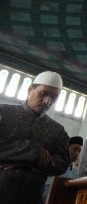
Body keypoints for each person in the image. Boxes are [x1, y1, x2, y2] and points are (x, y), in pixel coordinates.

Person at [0, 71, 70, 204]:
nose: (47, 101)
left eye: (54, 97)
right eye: (43, 94)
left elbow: (63, 163)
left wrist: (27, 162)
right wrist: (33, 150)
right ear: (30, 90)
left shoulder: (58, 130)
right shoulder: (3, 113)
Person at [42, 136, 83, 203]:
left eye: (79, 151)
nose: (77, 153)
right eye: (75, 149)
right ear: (66, 149)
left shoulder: (77, 172)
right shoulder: (54, 166)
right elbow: (46, 190)